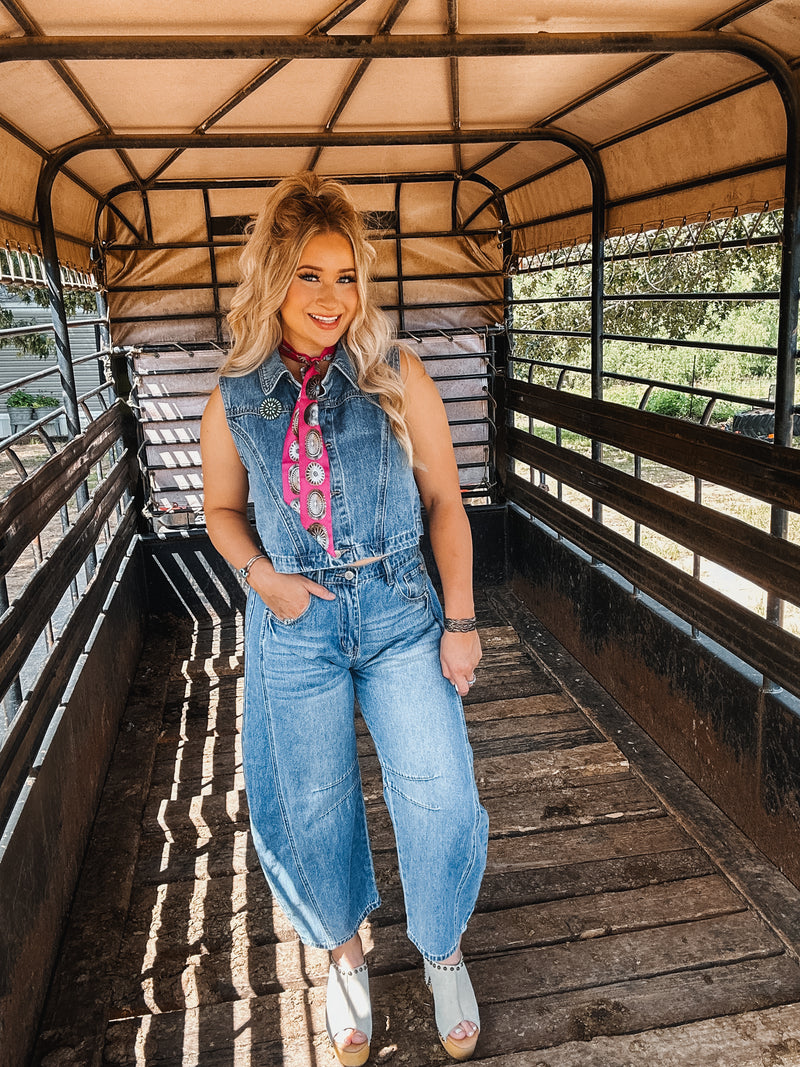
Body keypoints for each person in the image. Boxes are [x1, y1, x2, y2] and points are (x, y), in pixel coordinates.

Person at [200, 172, 489, 1065]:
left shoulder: (395, 371)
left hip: (400, 609)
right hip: (298, 623)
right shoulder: (235, 394)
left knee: (440, 790)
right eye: (309, 275)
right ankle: (345, 959)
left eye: (346, 276)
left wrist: (460, 619)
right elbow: (220, 511)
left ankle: (442, 949)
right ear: (272, 277)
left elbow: (445, 501)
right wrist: (265, 579)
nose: (332, 298)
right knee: (310, 802)